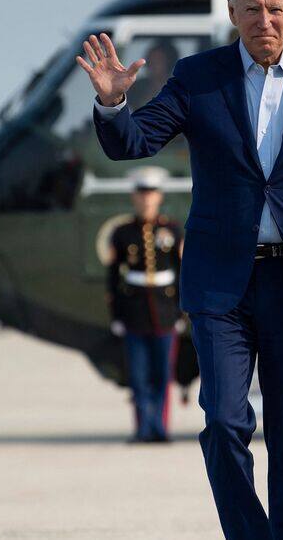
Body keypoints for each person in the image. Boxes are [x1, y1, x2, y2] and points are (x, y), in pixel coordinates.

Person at [83, 0, 283, 540]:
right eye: (251, 8)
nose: (263, 20)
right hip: (221, 284)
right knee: (223, 422)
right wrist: (115, 105)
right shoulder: (199, 77)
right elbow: (135, 142)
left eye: (274, 8)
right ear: (231, 13)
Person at [105, 166, 182, 444]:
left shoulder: (171, 230)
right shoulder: (122, 233)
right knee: (138, 378)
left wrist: (180, 311)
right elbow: (113, 277)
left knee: (162, 375)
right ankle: (142, 428)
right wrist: (116, 314)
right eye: (141, 194)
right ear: (134, 198)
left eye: (151, 194)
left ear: (159, 197)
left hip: (164, 312)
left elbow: (181, 270)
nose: (146, 200)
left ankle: (159, 428)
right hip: (134, 312)